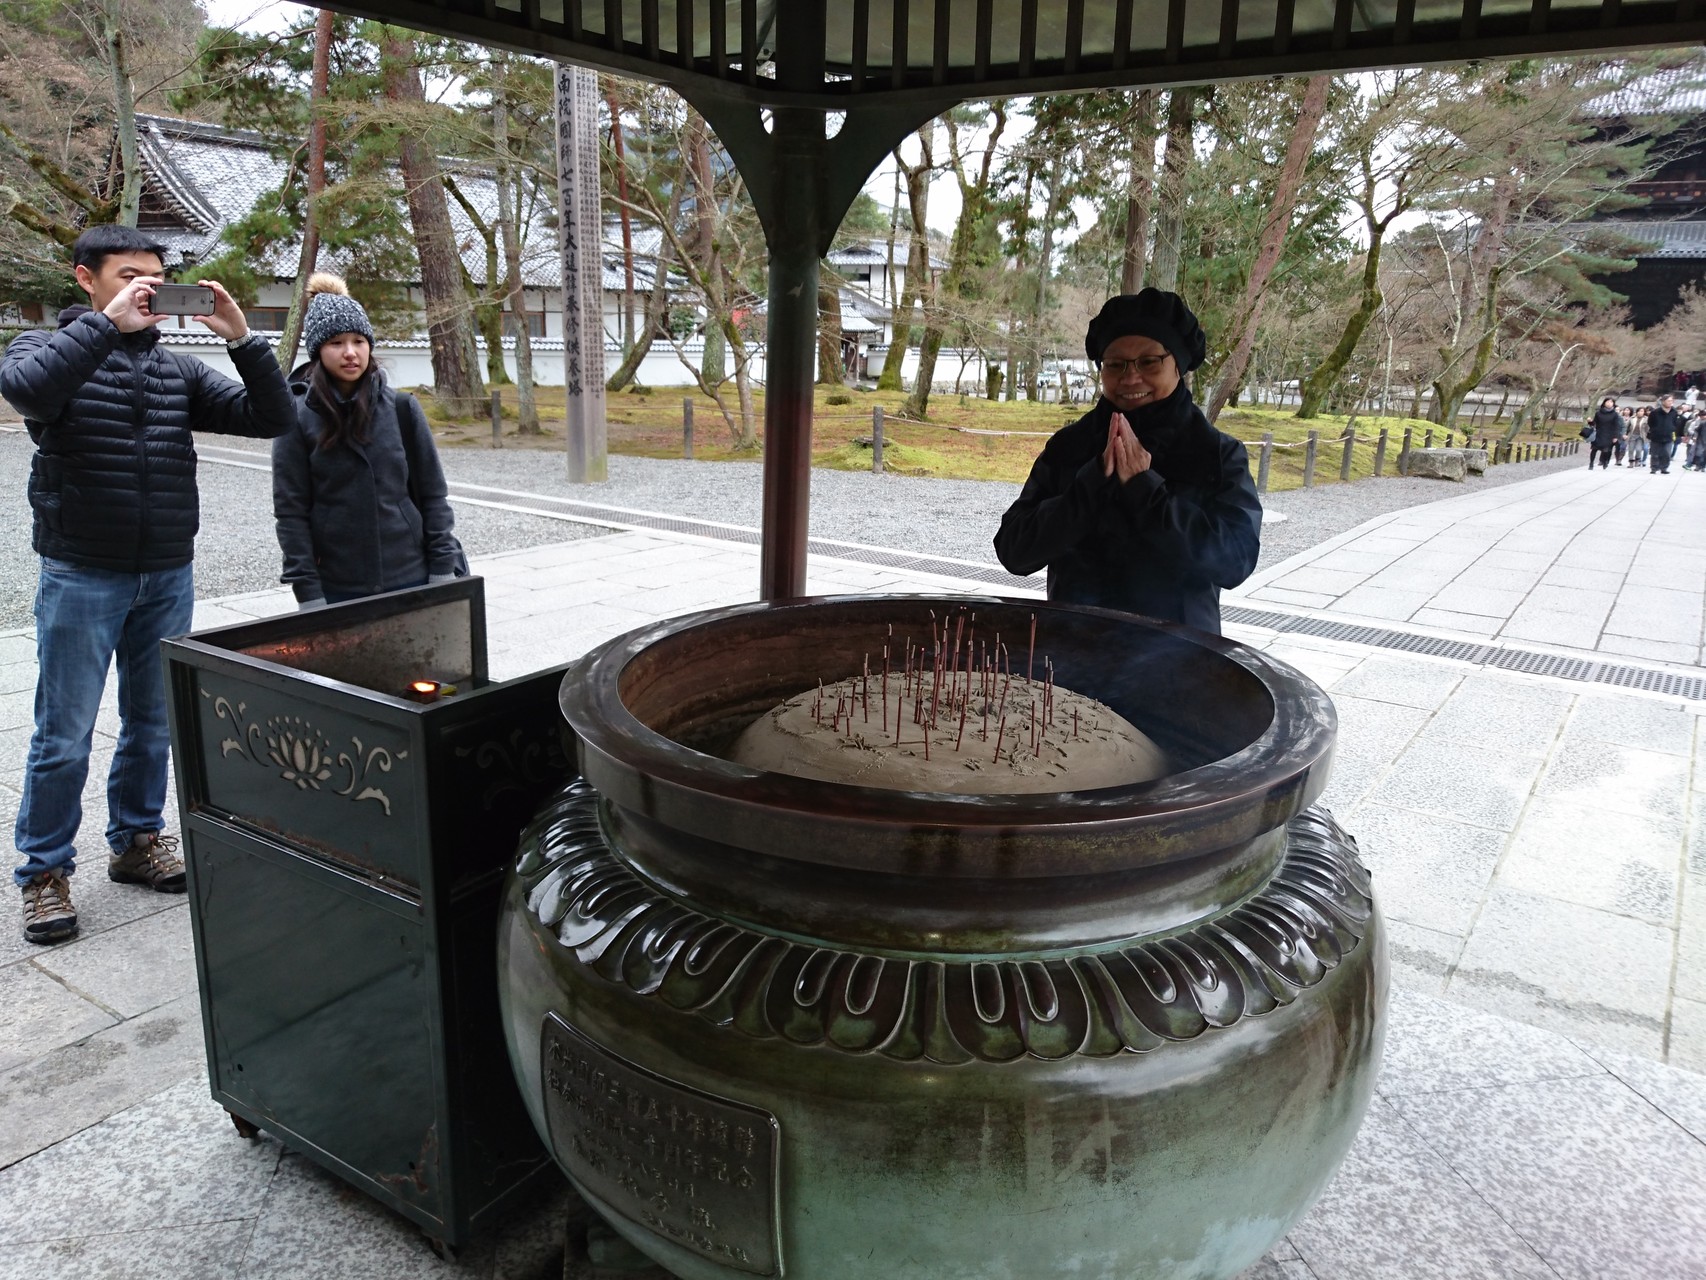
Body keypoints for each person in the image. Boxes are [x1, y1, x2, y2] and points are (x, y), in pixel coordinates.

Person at [0, 225, 294, 944]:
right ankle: (44, 872)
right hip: (80, 571)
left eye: (157, 279)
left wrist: (242, 337)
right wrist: (106, 328)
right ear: (85, 279)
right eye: (130, 275)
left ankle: (136, 841)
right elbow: (28, 392)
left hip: (166, 569)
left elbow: (274, 416)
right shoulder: (42, 351)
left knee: (153, 722)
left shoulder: (176, 370)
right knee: (63, 732)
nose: (146, 290)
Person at [993, 289, 1261, 634]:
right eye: (1115, 364)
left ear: (1178, 365)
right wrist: (1089, 485)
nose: (1130, 377)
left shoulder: (1216, 453)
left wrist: (1146, 491)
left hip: (1182, 655)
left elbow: (1235, 561)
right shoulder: (1071, 446)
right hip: (1073, 647)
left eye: (1149, 362)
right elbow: (1014, 551)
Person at [272, 274, 461, 609]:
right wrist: (308, 592)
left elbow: (433, 494)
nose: (350, 353)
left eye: (359, 341)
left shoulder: (402, 409)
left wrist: (443, 568)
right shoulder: (296, 416)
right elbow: (291, 512)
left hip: (409, 570)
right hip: (339, 580)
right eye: (336, 343)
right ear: (318, 350)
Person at [1648, 394, 1682, 475]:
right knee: (1655, 453)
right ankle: (1654, 467)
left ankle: (1664, 467)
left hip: (1668, 435)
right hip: (1656, 435)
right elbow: (1650, 423)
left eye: (1672, 401)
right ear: (1663, 401)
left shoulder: (1674, 412)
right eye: (1668, 401)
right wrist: (1655, 429)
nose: (1670, 402)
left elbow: (1675, 423)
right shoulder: (1655, 412)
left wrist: (1672, 429)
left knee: (1667, 453)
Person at [1587, 397, 1623, 470]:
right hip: (1599, 433)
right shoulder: (1598, 413)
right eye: (1607, 402)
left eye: (1611, 402)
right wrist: (1590, 421)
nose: (1609, 403)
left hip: (1609, 434)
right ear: (1604, 403)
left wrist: (1615, 436)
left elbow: (1617, 426)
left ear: (1613, 404)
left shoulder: (1615, 414)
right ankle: (1591, 463)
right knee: (1594, 449)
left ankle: (1605, 462)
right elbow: (1594, 423)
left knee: (1606, 450)